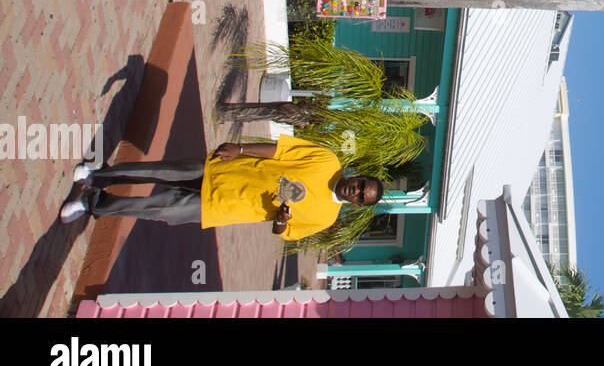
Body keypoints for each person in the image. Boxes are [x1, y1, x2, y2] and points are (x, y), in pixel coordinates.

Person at [59, 136, 383, 241]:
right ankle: (98, 174)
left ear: (356, 205)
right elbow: (279, 150)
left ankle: (93, 203)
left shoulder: (325, 218)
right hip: (224, 170)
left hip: (224, 207)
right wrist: (240, 150)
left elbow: (282, 231)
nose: (355, 191)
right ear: (360, 177)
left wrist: (283, 217)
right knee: (156, 171)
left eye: (360, 196)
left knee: (156, 210)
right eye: (361, 185)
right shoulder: (327, 159)